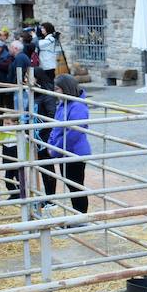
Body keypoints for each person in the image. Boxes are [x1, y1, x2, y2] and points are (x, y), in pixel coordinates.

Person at [44, 74, 92, 215]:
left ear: (66, 88)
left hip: (74, 151)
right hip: (63, 150)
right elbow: (56, 127)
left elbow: (74, 133)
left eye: (57, 88)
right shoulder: (63, 104)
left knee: (76, 185)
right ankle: (77, 215)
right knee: (71, 184)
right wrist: (51, 144)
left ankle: (81, 216)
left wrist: (55, 148)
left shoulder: (77, 106)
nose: (55, 91)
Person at [35, 22, 59, 88]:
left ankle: (50, 96)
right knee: (45, 82)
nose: (41, 30)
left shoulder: (51, 38)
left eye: (43, 28)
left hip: (48, 64)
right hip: (45, 64)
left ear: (47, 29)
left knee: (49, 82)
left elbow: (39, 44)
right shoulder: (46, 38)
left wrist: (34, 37)